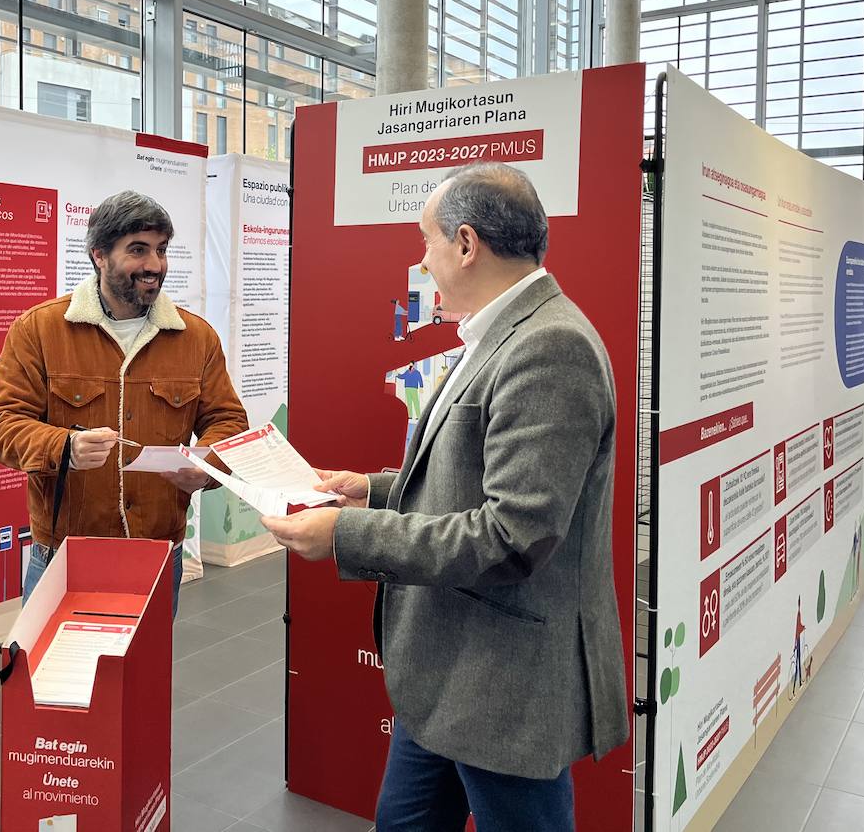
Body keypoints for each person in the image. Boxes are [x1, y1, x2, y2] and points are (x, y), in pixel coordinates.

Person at [263, 163, 627, 832]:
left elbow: (512, 535)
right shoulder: (501, 332)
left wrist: (346, 534)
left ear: (466, 244)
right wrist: (369, 489)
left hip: (504, 682)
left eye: (426, 239)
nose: (421, 259)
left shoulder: (550, 347)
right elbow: (465, 475)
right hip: (447, 667)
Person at [0, 190, 247, 616]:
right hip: (66, 554)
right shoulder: (39, 330)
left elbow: (228, 421)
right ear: (99, 255)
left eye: (161, 249)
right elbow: (2, 426)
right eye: (138, 250)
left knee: (147, 662)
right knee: (57, 662)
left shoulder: (197, 338)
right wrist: (65, 447)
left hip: (158, 553)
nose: (155, 264)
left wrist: (207, 465)